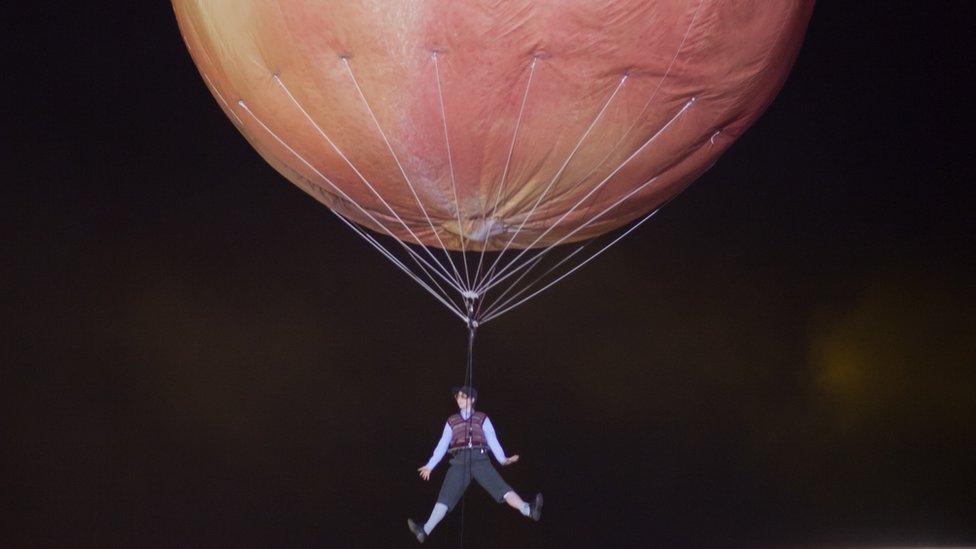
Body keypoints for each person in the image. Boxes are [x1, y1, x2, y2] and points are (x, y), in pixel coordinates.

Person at [407, 385, 542, 543]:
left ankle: (528, 510)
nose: (459, 399)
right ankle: (425, 530)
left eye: (463, 396)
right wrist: (430, 466)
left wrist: (503, 459)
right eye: (458, 397)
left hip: (479, 458)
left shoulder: (482, 418)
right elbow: (442, 445)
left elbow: (492, 440)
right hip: (458, 461)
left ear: (472, 400)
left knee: (502, 489)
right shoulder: (451, 421)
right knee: (444, 498)